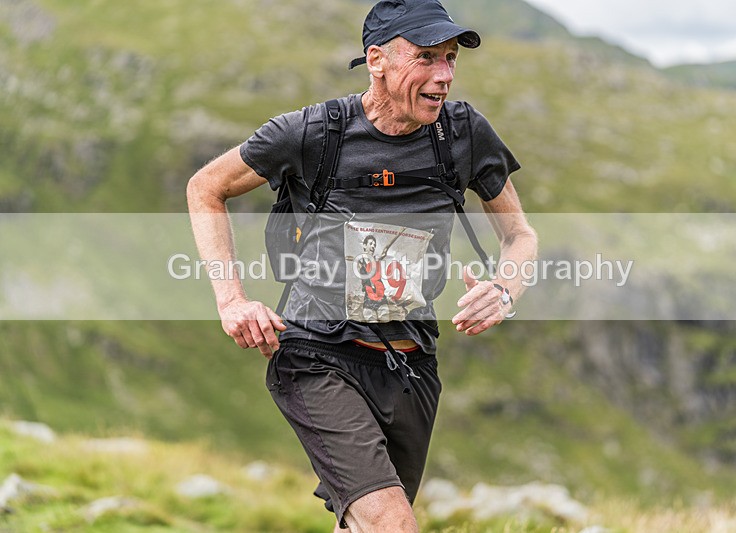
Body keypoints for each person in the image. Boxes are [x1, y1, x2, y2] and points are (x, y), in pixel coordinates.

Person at [186, 0, 538, 530]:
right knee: (391, 523)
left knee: (362, 525)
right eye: (426, 57)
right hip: (316, 354)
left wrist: (505, 289)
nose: (444, 75)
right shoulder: (313, 132)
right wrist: (231, 299)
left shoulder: (463, 133)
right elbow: (205, 187)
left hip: (410, 364)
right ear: (376, 60)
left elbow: (520, 236)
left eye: (450, 58)